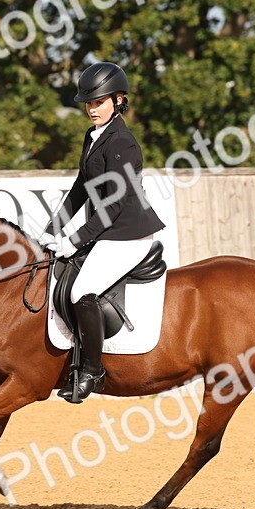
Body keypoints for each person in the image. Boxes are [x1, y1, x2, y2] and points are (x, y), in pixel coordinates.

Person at [40, 62, 166, 403]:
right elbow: (82, 188)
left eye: (99, 102)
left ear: (118, 100)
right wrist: (52, 229)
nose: (92, 108)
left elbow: (112, 205)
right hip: (108, 233)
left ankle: (92, 371)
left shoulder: (122, 142)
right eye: (89, 102)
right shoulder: (93, 136)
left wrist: (73, 240)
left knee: (82, 291)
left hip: (128, 235)